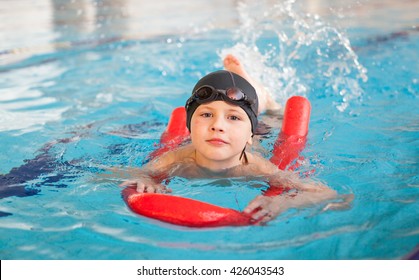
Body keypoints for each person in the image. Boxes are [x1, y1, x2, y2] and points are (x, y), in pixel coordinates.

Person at [120, 54, 344, 224]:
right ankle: (252, 98)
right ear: (189, 128)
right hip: (243, 132)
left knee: (274, 117)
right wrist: (146, 180)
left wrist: (282, 202)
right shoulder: (175, 161)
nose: (217, 125)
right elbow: (118, 177)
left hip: (260, 135)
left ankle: (266, 99)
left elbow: (329, 194)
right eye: (206, 115)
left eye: (232, 117)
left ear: (249, 134)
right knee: (249, 112)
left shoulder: (258, 168)